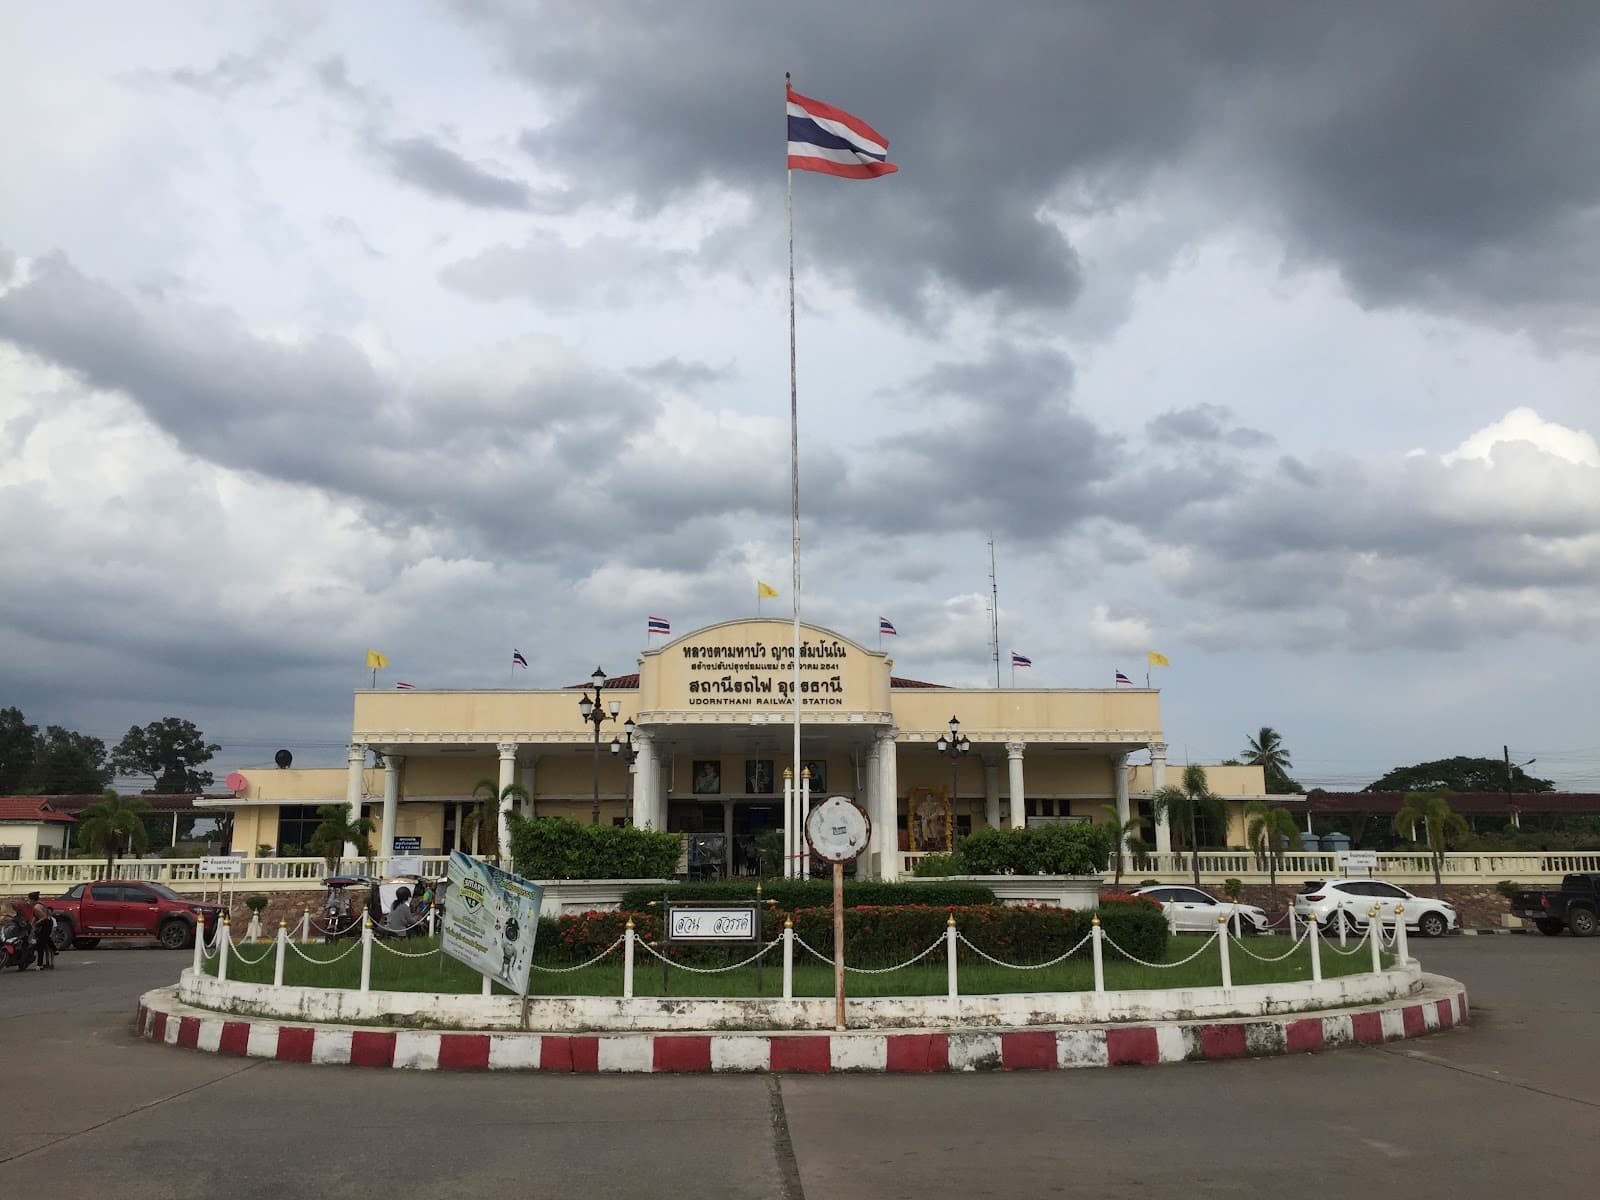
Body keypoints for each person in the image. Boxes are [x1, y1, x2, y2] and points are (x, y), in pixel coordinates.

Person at [31, 897, 55, 970]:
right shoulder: (41, 906)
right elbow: (34, 919)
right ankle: (46, 963)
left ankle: (41, 964)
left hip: (43, 931)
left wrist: (37, 923)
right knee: (43, 948)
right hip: (42, 931)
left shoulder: (37, 908)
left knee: (41, 948)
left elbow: (42, 918)